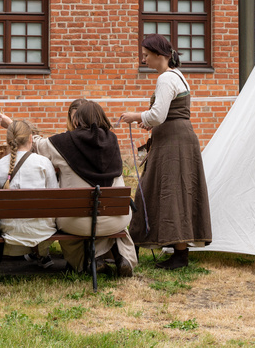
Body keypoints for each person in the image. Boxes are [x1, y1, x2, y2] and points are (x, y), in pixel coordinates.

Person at [119, 34, 212, 270]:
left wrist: (135, 116)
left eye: (146, 55)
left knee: (156, 192)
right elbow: (166, 114)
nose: (143, 60)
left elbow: (158, 115)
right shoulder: (178, 76)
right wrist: (150, 122)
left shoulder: (166, 79)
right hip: (178, 140)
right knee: (176, 194)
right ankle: (178, 254)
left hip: (173, 143)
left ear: (159, 55)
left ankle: (139, 250)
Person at [16, 100, 137, 276]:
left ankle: (86, 262)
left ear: (76, 121)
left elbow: (37, 145)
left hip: (76, 223)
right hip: (115, 219)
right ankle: (123, 257)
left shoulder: (62, 142)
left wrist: (16, 127)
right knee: (107, 220)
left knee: (68, 223)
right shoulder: (113, 140)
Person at [0, 120, 58, 267]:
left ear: (8, 141)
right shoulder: (43, 162)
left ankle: (35, 252)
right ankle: (40, 252)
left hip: (9, 228)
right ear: (30, 138)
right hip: (42, 229)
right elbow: (54, 195)